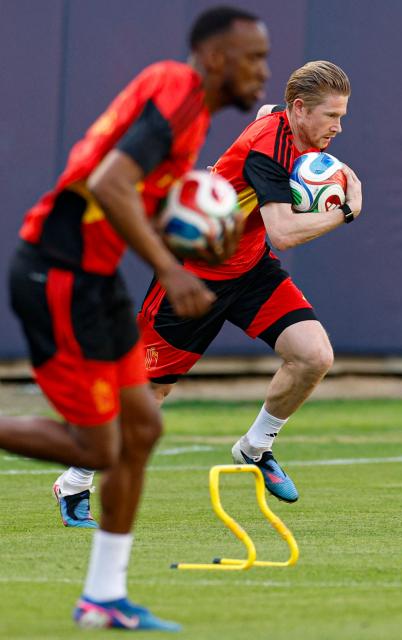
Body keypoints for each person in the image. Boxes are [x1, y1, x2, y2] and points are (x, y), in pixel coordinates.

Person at [2, 6, 270, 631]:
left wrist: (187, 234)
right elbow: (110, 182)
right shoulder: (178, 91)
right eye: (252, 57)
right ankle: (101, 594)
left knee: (142, 427)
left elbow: (130, 196)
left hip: (93, 280)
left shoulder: (188, 107)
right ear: (214, 59)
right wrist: (172, 269)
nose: (262, 71)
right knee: (99, 444)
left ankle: (102, 597)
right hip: (58, 273)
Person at [52, 60, 362, 523]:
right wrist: (346, 211)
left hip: (251, 269)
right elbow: (283, 232)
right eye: (331, 116)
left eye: (342, 116)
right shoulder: (269, 150)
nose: (338, 127)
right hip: (194, 275)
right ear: (299, 110)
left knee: (314, 356)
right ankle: (74, 481)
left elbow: (264, 109)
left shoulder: (286, 123)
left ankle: (255, 448)